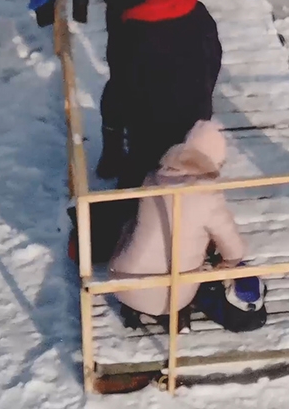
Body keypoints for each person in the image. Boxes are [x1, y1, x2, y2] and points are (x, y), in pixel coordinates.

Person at [92, 0, 223, 259]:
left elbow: (123, 84)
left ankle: (113, 234)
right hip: (196, 117)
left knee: (138, 188)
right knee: (190, 180)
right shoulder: (198, 12)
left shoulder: (134, 30)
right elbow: (214, 58)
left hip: (150, 128)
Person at [108, 120, 267, 332]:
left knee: (134, 226)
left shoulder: (152, 178)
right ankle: (175, 315)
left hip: (123, 282)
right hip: (172, 297)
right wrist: (227, 264)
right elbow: (234, 250)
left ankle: (133, 308)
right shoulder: (208, 195)